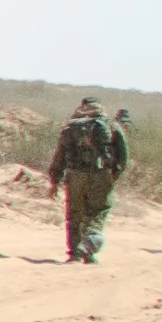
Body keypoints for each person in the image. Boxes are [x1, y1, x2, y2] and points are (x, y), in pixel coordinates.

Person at [49, 97, 128, 263]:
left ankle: (75, 253)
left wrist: (55, 180)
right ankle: (89, 246)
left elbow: (59, 156)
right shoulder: (111, 125)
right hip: (101, 174)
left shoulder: (71, 126)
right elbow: (123, 155)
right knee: (98, 212)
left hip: (74, 175)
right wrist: (114, 175)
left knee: (74, 213)